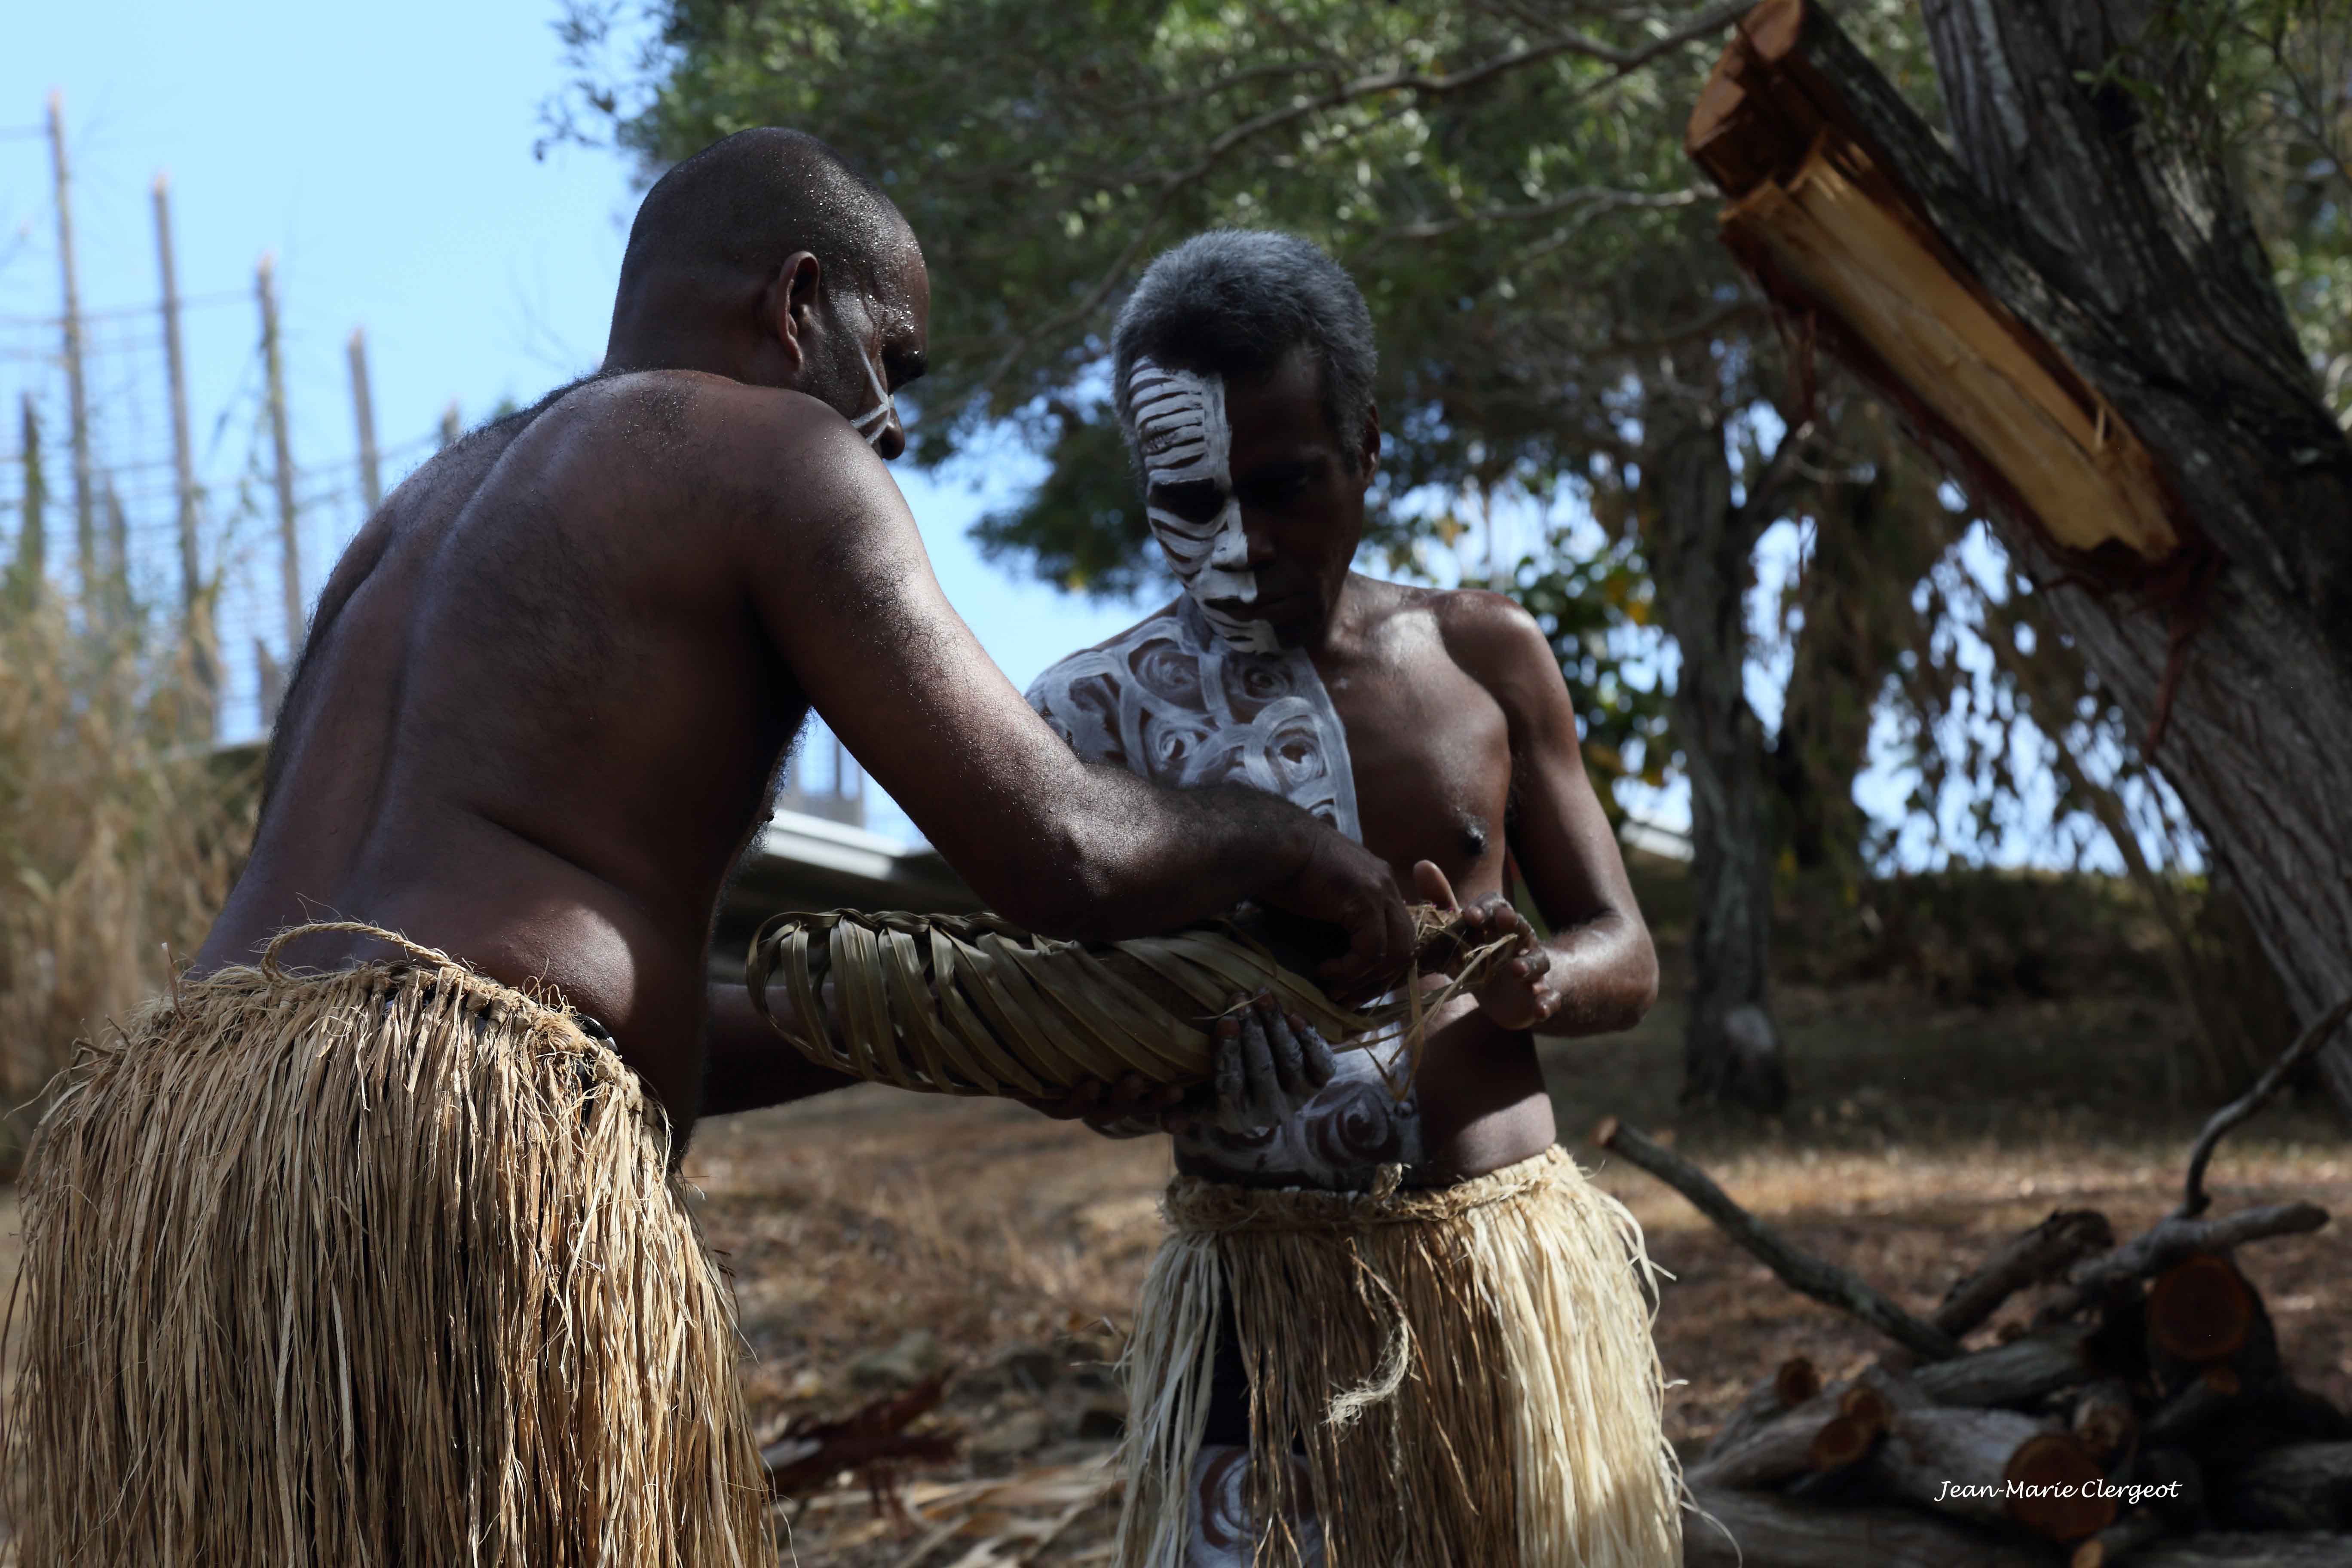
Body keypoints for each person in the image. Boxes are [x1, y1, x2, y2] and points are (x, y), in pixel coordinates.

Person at [4, 133, 1415, 1568]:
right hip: (454, 1159)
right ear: (797, 303)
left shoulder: (419, 516)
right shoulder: (776, 453)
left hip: (178, 1170)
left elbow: (529, 994)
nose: (898, 420)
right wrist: (1293, 847)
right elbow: (1063, 850)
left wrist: (968, 1024)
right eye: (895, 357)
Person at [1025, 231, 1681, 1568]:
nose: (1242, 545)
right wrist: (1152, 1067)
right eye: (1190, 501)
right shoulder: (1090, 721)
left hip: (1509, 1280)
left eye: (1284, 488)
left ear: (1369, 449)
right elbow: (1061, 1037)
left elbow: (1626, 950)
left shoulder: (1482, 654)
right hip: (1258, 1304)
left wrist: (1534, 981)